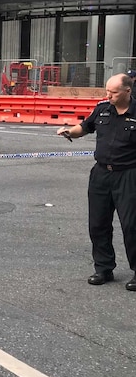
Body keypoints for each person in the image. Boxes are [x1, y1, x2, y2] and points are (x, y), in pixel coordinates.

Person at [57, 73, 136, 290]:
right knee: (98, 223)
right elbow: (84, 128)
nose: (108, 95)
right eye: (107, 91)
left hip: (128, 175)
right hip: (101, 174)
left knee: (131, 225)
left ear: (128, 91)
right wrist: (68, 131)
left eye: (114, 92)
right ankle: (103, 268)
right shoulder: (102, 109)